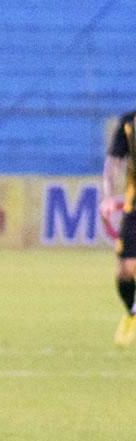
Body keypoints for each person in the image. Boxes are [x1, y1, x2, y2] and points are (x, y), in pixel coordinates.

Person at [103, 108, 136, 345]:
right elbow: (113, 162)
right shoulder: (128, 123)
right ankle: (131, 313)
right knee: (124, 270)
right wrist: (108, 197)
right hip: (134, 205)